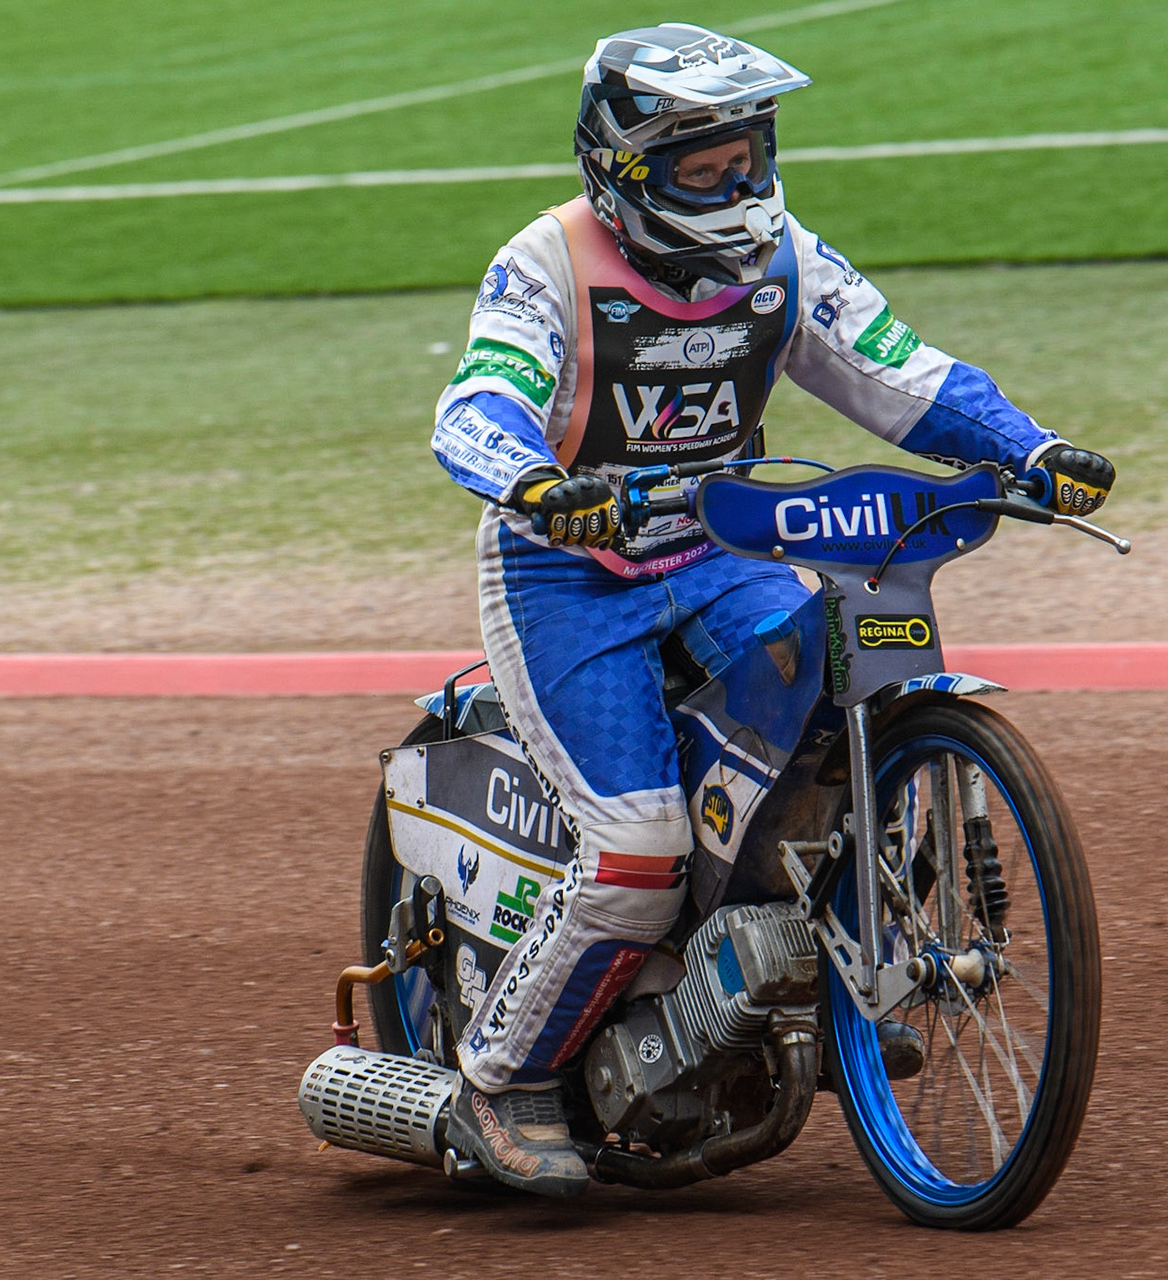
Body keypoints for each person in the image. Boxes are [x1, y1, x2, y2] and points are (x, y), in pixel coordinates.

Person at [430, 22, 1116, 1197]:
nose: (741, 183)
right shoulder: (546, 262)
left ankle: (823, 979)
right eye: (707, 167)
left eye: (750, 153)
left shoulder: (784, 259)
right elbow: (477, 403)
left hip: (722, 548)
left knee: (824, 717)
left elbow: (905, 373)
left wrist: (1030, 446)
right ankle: (499, 1079)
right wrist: (538, 481)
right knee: (639, 850)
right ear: (628, 169)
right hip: (565, 574)